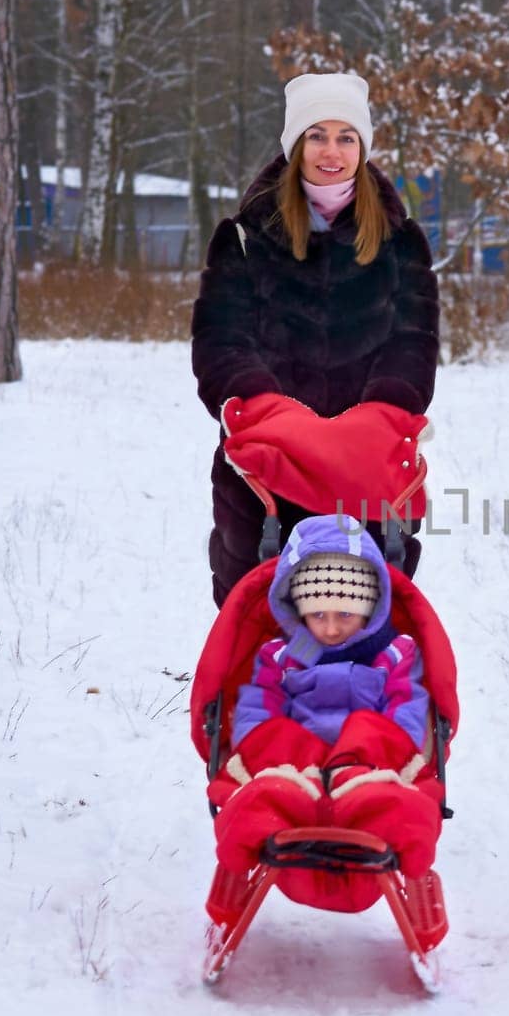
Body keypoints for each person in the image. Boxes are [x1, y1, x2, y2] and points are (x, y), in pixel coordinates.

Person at [191, 72, 439, 607]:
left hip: (366, 459)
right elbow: (220, 339)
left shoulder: (400, 241)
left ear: (363, 146)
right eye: (317, 135)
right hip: (268, 457)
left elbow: (414, 341)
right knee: (256, 616)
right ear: (295, 143)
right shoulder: (245, 237)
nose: (332, 151)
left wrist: (376, 416)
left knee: (363, 615)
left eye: (346, 136)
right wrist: (271, 412)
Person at [212, 514, 442, 878]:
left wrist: (392, 756)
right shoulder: (281, 654)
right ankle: (277, 800)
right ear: (297, 609)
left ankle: (371, 800)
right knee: (269, 733)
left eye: (346, 614)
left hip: (369, 770)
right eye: (317, 614)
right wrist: (259, 746)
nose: (331, 628)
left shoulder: (394, 652)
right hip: (293, 768)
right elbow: (257, 708)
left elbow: (408, 711)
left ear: (370, 607)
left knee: (375, 729)